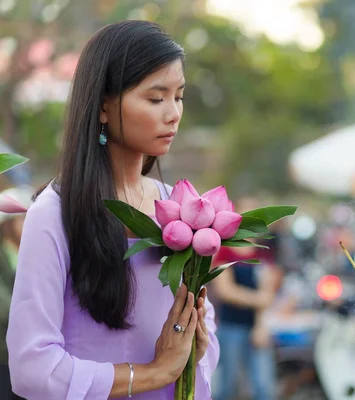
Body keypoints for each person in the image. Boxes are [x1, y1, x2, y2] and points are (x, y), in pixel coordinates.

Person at [6, 21, 219, 399]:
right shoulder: (54, 213)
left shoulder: (181, 208)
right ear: (104, 106)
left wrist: (195, 347)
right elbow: (31, 367)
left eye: (179, 96)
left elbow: (204, 338)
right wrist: (152, 373)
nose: (173, 114)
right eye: (156, 98)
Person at [210, 198, 279, 400]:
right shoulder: (224, 251)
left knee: (263, 386)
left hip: (257, 326)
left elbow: (268, 291)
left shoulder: (263, 252)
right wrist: (259, 299)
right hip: (230, 325)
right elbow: (226, 291)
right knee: (226, 386)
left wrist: (260, 325)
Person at [0, 186, 33, 400]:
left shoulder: (33, 254)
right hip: (4, 354)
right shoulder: (4, 257)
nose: (26, 224)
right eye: (20, 219)